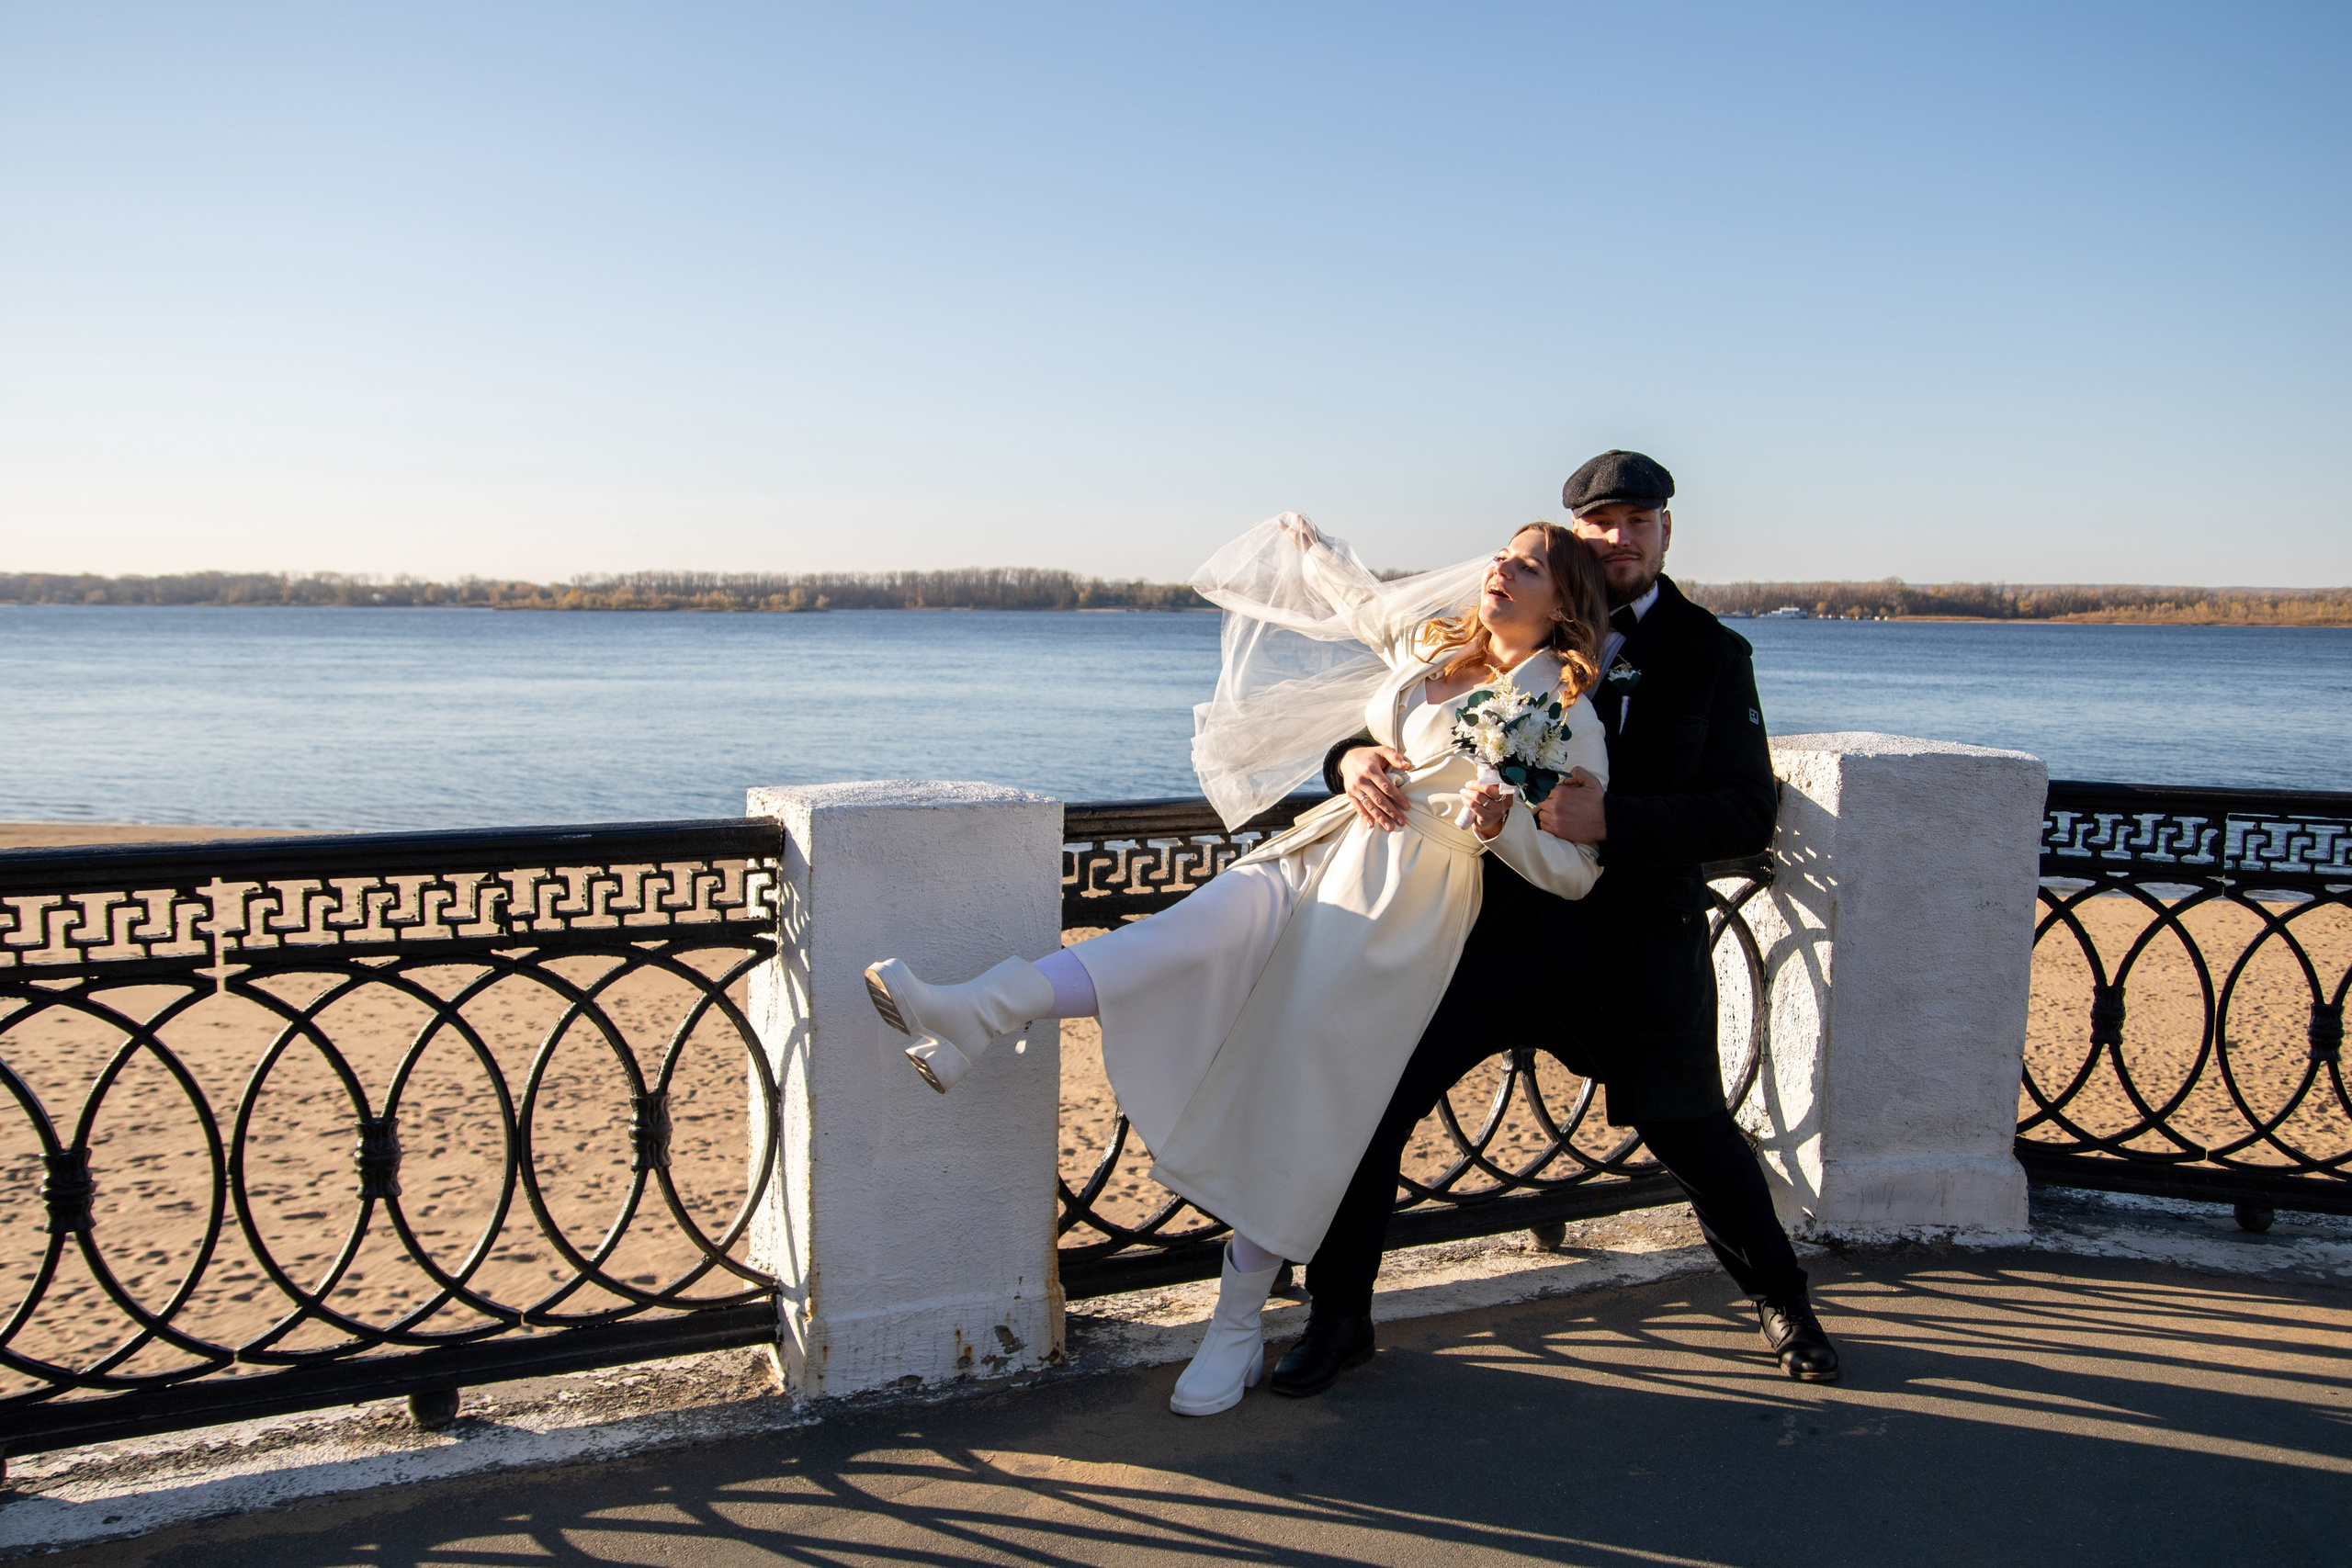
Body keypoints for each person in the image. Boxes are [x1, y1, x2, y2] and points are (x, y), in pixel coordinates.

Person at [862, 516, 1613, 1417]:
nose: (1499, 569)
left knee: (1302, 1100)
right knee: (1180, 937)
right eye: (1503, 553)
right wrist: (1314, 557)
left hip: (1399, 909)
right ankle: (981, 1009)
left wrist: (1505, 832)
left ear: (1563, 601)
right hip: (1319, 849)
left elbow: (1573, 871)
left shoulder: (1561, 712)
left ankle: (1236, 1327)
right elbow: (1365, 605)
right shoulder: (1434, 643)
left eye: (1527, 565)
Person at [1288, 449, 1840, 1393]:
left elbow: (1747, 812)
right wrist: (1349, 760)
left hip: (1634, 942)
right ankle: (1339, 1320)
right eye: (1600, 524)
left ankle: (1783, 1302)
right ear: (1573, 536)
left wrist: (1614, 824)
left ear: (1667, 532)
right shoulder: (1500, 629)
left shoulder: (1709, 654)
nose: (1619, 537)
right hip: (1482, 933)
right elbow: (1410, 721)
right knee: (1371, 1111)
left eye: (1638, 521)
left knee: (1692, 1131)